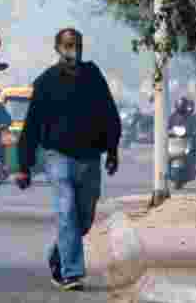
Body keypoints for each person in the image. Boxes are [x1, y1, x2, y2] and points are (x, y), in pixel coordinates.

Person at [13, 27, 121, 291]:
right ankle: (71, 273)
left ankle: (58, 256)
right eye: (67, 45)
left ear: (81, 48)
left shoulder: (93, 76)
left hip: (90, 158)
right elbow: (32, 124)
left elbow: (109, 113)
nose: (71, 50)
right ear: (58, 49)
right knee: (66, 212)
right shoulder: (46, 81)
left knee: (83, 219)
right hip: (58, 157)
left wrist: (112, 151)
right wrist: (24, 166)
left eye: (75, 45)